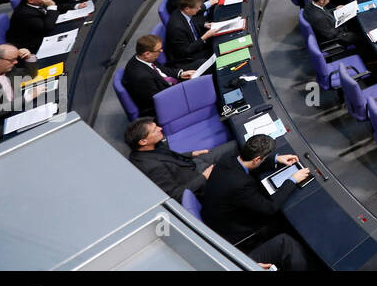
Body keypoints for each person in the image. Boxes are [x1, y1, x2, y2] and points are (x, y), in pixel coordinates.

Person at [201, 134, 311, 270]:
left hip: (215, 215)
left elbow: (247, 166)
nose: (263, 160)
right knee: (280, 220)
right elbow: (270, 207)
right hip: (231, 231)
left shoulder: (227, 160)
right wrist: (292, 180)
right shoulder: (241, 185)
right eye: (264, 158)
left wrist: (276, 159)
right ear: (257, 159)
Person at [126, 117, 215, 201]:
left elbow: (168, 158)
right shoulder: (153, 168)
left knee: (228, 149)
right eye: (154, 130)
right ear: (143, 142)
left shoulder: (151, 147)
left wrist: (191, 154)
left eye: (156, 126)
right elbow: (175, 195)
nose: (160, 128)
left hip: (191, 163)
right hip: (198, 181)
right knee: (228, 161)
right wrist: (204, 177)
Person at [122, 34, 195, 116]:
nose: (161, 51)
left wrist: (180, 74)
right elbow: (159, 99)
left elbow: (162, 70)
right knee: (197, 92)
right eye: (159, 50)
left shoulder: (143, 57)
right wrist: (184, 90)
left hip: (168, 86)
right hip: (165, 102)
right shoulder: (142, 78)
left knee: (200, 65)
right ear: (147, 54)